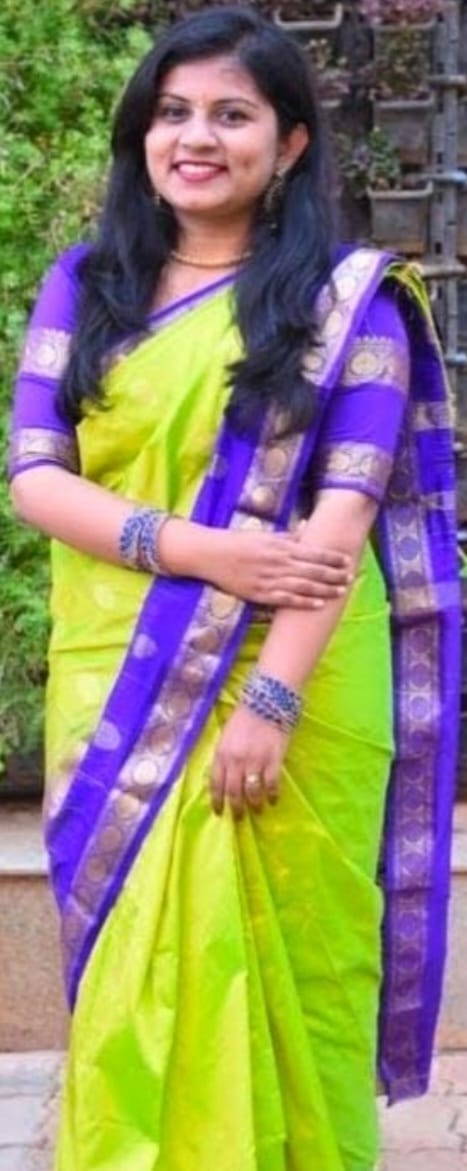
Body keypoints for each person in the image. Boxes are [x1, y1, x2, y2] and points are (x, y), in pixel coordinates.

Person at [8, 6, 460, 1170]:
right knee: (138, 972)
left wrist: (269, 699)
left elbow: (336, 525)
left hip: (300, 678)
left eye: (230, 114)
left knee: (299, 966)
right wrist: (196, 549)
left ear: (289, 142)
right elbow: (35, 476)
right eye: (171, 113)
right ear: (141, 134)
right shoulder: (86, 284)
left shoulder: (348, 302)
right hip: (121, 668)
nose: (194, 138)